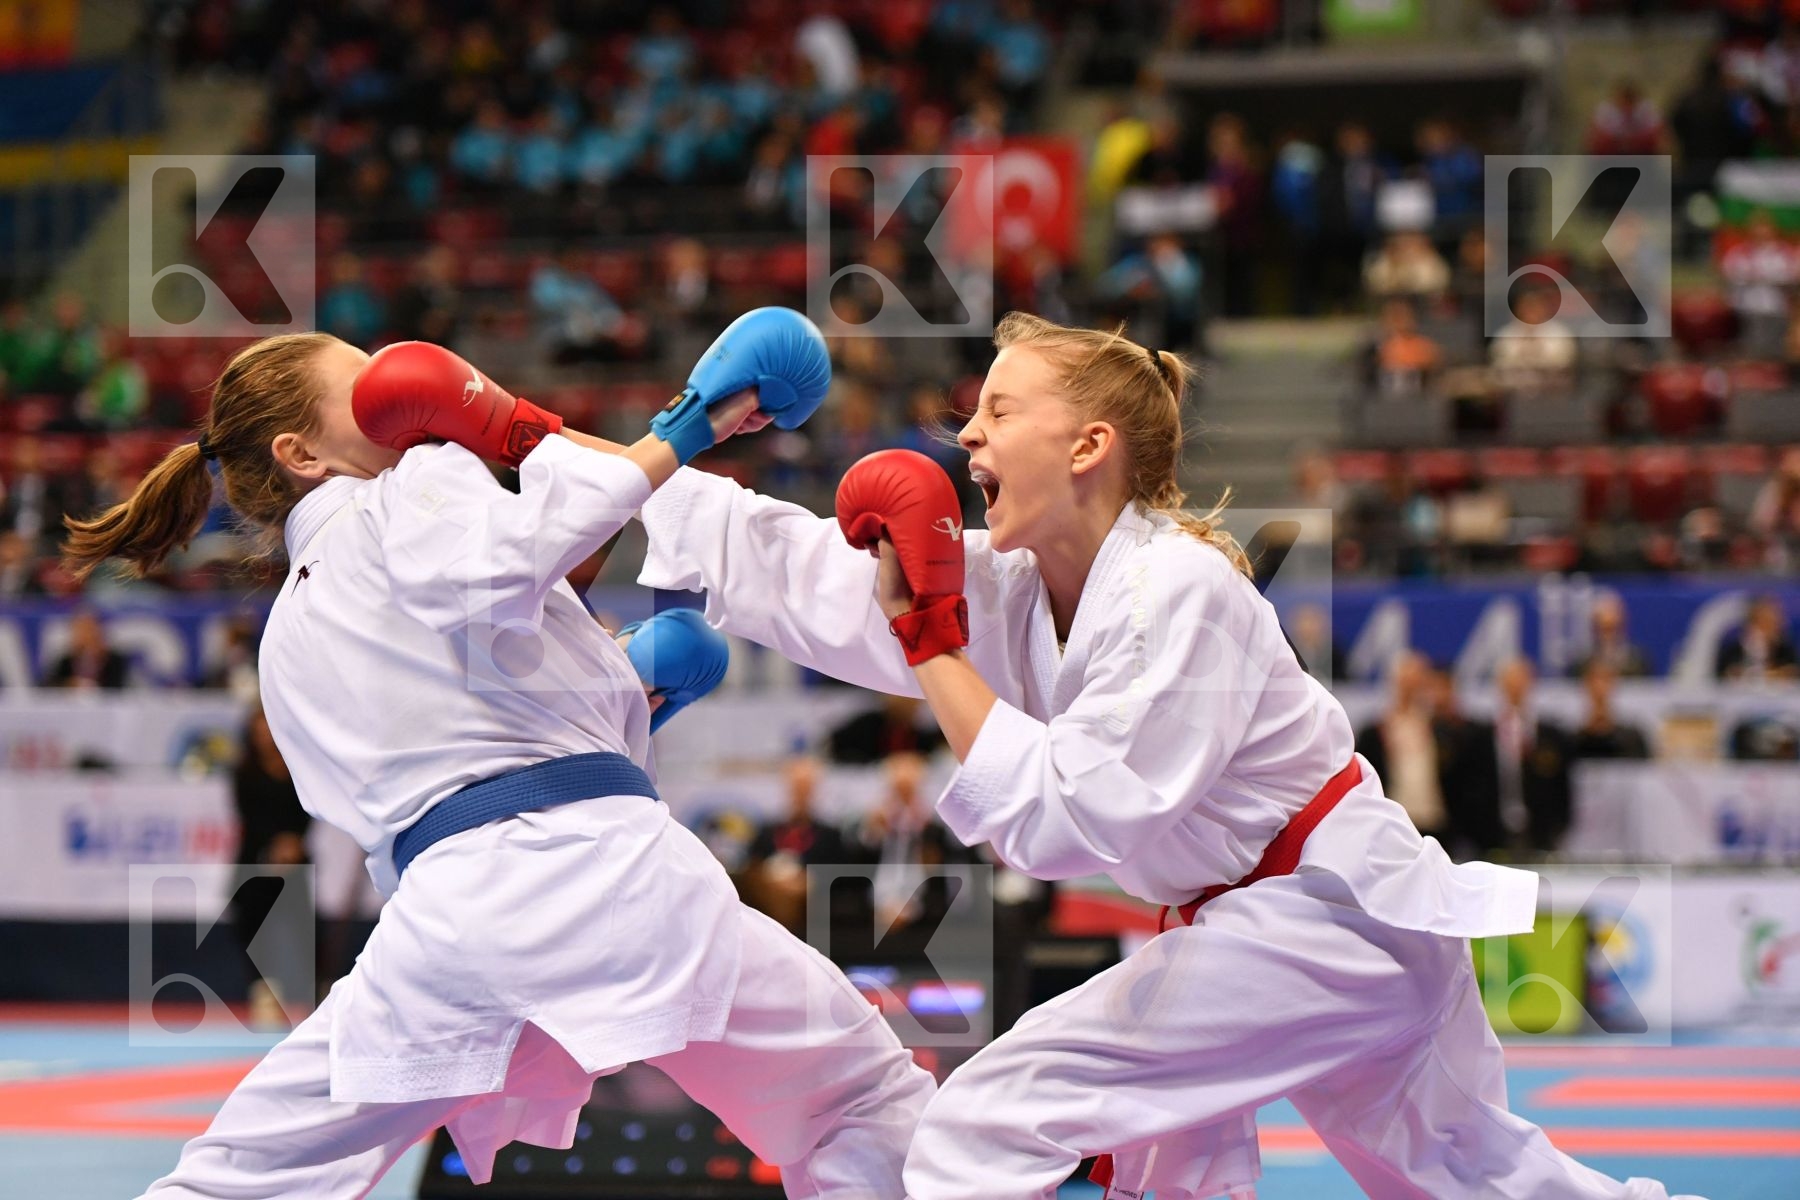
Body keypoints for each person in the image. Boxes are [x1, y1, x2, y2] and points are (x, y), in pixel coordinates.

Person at [636, 312, 1696, 1199]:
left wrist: (930, 641)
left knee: (988, 1123)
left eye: (999, 412)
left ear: (1089, 446)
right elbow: (781, 561)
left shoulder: (1176, 592)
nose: (967, 436)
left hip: (1321, 916)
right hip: (1302, 926)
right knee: (1477, 1179)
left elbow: (1070, 818)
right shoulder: (1015, 590)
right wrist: (535, 447)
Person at [62, 312, 932, 1198]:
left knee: (240, 1177)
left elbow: (454, 762)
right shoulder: (409, 488)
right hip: (611, 880)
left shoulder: (285, 635)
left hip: (448, 926)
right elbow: (497, 573)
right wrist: (689, 425)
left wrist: (631, 693)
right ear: (302, 453)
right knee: (853, 1102)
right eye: (363, 387)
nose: (395, 393)